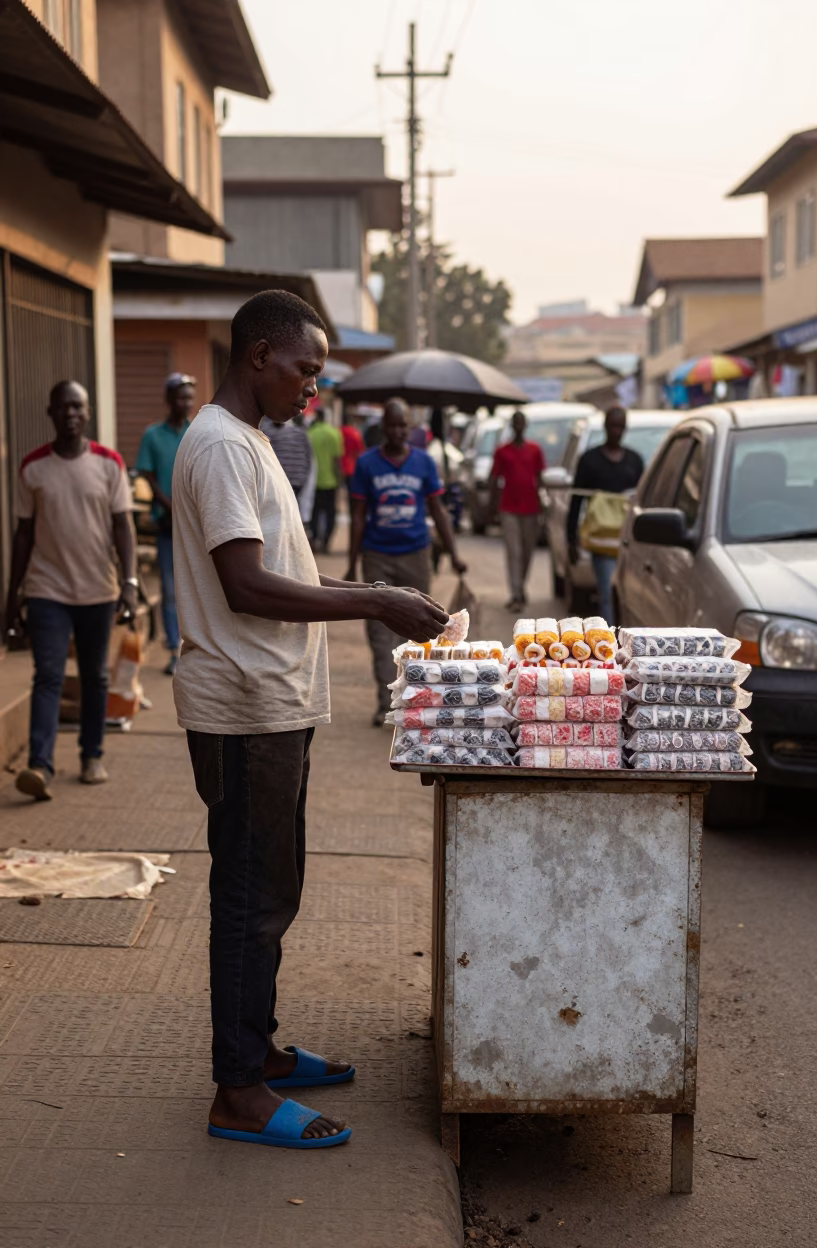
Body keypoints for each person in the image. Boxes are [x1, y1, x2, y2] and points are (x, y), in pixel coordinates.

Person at [171, 289, 448, 1149]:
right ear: (259, 355)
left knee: (272, 892)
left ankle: (260, 1053)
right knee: (251, 899)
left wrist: (376, 596)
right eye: (306, 371)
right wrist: (372, 600)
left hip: (275, 707)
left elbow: (284, 569)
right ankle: (238, 1090)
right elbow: (245, 586)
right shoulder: (220, 445)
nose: (312, 391)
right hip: (245, 707)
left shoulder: (253, 442)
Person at [4, 381, 138, 801]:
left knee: (96, 676)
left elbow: (123, 527)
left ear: (88, 413)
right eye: (63, 408)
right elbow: (23, 535)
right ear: (51, 413)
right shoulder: (33, 468)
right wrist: (12, 598)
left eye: (78, 407)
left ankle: (91, 755)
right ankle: (39, 765)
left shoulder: (109, 464)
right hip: (47, 590)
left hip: (98, 589)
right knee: (48, 676)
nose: (70, 414)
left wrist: (131, 583)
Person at [346, 398, 467, 725]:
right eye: (392, 425)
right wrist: (351, 561)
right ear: (383, 428)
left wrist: (454, 554)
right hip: (378, 556)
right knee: (379, 631)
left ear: (410, 429)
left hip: (415, 555)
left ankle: (413, 698)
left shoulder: (425, 463)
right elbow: (358, 518)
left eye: (404, 426)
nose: (398, 432)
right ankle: (386, 702)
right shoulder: (367, 464)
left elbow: (438, 510)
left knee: (417, 628)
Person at [136, 372, 195, 674]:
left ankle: (196, 648)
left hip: (196, 528)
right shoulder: (153, 435)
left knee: (198, 589)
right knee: (170, 591)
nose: (186, 403)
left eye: (189, 398)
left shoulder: (196, 432)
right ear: (169, 399)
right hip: (167, 526)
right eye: (181, 397)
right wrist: (168, 505)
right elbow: (146, 473)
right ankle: (175, 650)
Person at [566, 405, 644, 623]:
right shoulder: (589, 460)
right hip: (602, 541)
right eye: (612, 426)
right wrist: (571, 540)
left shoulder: (635, 461)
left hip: (627, 541)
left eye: (620, 427)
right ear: (605, 427)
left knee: (629, 596)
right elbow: (576, 500)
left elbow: (642, 503)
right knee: (607, 593)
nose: (616, 431)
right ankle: (608, 643)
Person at [489, 410, 545, 611]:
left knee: (527, 552)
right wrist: (492, 508)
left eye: (522, 423)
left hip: (531, 508)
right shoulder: (502, 451)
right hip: (509, 508)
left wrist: (543, 507)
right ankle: (516, 594)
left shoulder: (534, 450)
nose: (519, 427)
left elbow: (540, 479)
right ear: (512, 426)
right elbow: (494, 479)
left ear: (526, 425)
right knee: (514, 551)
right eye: (516, 423)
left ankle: (520, 586)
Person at [307, 408, 343, 553]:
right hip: (331, 482)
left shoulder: (310, 434)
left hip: (314, 482)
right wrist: (340, 480)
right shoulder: (334, 433)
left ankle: (315, 538)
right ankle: (326, 541)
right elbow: (336, 460)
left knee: (314, 512)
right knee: (330, 513)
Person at [261, 410, 313, 500]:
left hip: (283, 480)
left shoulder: (266, 431)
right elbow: (308, 457)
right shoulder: (301, 433)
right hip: (298, 480)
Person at [340, 410, 364, 497]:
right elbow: (360, 451)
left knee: (338, 493)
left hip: (338, 468)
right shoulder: (355, 433)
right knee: (352, 493)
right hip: (351, 468)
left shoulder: (338, 432)